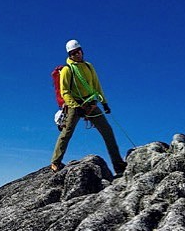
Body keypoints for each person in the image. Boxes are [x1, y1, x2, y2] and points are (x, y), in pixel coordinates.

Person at [50, 39, 127, 175]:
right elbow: (65, 92)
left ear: (82, 50)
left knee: (107, 131)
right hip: (75, 104)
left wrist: (104, 103)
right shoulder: (67, 70)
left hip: (90, 103)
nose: (77, 54)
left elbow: (96, 86)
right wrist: (76, 106)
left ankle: (118, 164)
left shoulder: (89, 67)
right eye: (73, 53)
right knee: (66, 133)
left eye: (78, 51)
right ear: (69, 55)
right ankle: (55, 162)